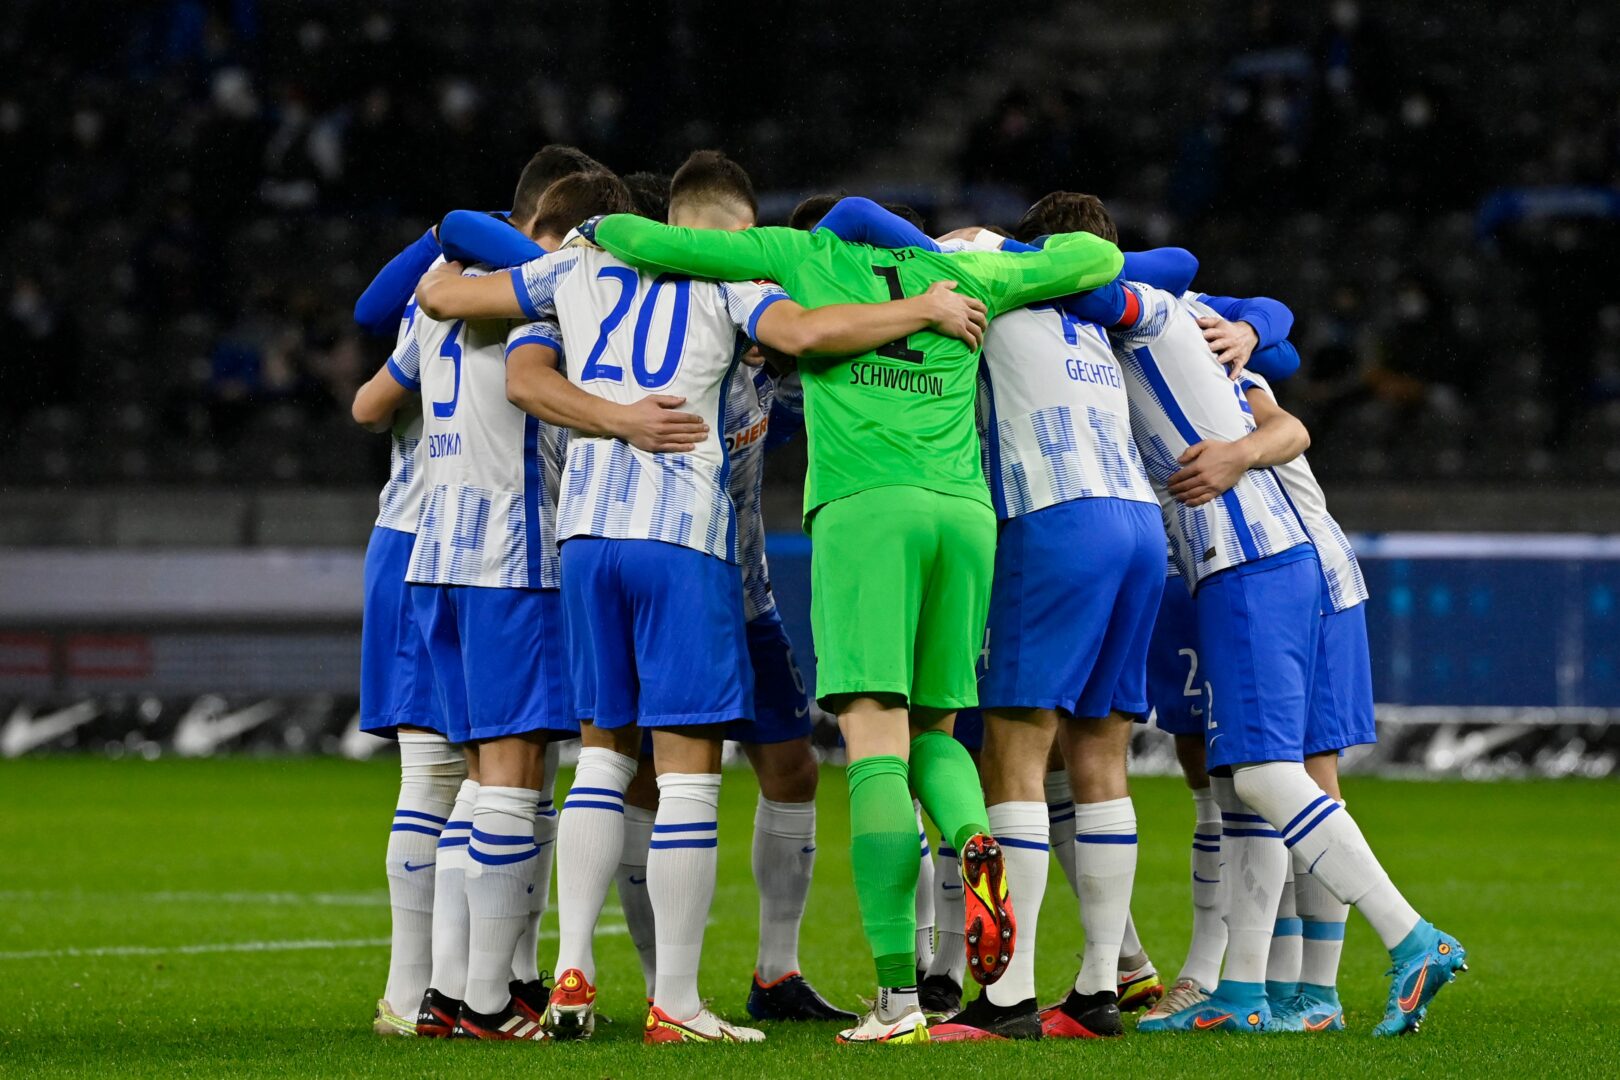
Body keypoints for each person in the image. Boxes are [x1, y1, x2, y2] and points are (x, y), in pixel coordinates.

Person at [414, 154, 991, 1045]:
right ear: (716, 230)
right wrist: (925, 302)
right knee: (686, 774)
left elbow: (443, 295)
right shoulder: (731, 287)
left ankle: (579, 971)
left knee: (604, 760)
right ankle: (675, 1002)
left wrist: (507, 249)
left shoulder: (577, 268)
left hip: (589, 540)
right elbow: (810, 332)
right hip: (686, 544)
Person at [579, 204, 1124, 1044]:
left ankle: (898, 999)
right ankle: (972, 836)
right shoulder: (966, 274)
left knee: (876, 744)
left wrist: (596, 224)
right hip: (963, 516)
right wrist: (984, 251)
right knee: (937, 733)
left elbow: (650, 240)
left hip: (867, 512)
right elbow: (1096, 256)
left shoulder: (801, 254)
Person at [808, 193, 1187, 1042]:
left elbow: (869, 223)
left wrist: (962, 254)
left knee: (1013, 756)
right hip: (1139, 524)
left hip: (1054, 516)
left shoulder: (985, 274)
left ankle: (1008, 998)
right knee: (1101, 757)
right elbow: (1179, 266)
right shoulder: (1097, 306)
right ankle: (1100, 987)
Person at [1095, 270, 1467, 1037]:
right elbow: (1279, 337)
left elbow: (1290, 424)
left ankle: (1374, 957)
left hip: (1285, 565)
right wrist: (1257, 329)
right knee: (1254, 783)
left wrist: (1247, 375)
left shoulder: (1175, 337)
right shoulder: (1188, 348)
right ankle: (1280, 992)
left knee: (1283, 777)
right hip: (1276, 563)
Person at [349, 292, 462, 1039]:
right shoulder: (514, 298)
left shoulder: (444, 298)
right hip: (428, 536)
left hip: (477, 544)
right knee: (437, 773)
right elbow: (367, 405)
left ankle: (492, 980)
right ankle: (410, 988)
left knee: (502, 773)